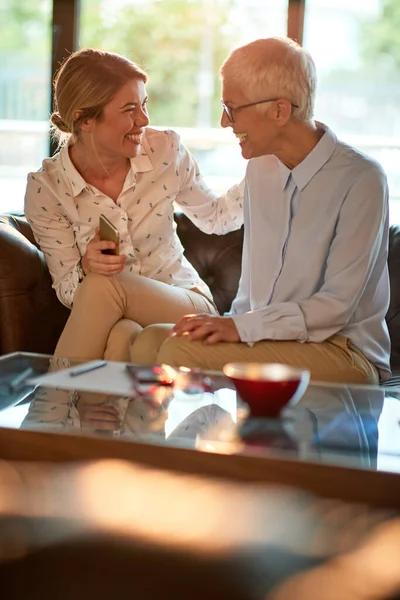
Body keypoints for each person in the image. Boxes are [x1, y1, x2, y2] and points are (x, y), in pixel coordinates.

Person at [130, 37, 391, 384]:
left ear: (280, 111)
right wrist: (229, 326)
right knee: (150, 341)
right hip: (269, 340)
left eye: (232, 108)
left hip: (343, 351)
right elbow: (253, 294)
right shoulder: (260, 169)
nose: (225, 122)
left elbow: (335, 307)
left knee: (182, 352)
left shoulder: (362, 179)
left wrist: (238, 328)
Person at [24, 48, 244, 361]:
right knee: (121, 335)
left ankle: (52, 404)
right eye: (130, 109)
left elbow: (216, 218)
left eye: (144, 104)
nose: (144, 119)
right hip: (117, 319)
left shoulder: (164, 149)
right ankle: (92, 409)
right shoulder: (47, 189)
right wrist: (86, 267)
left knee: (103, 286)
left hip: (184, 303)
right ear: (84, 119)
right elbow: (69, 292)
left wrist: (268, 170)